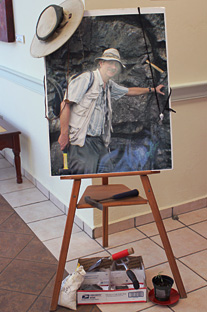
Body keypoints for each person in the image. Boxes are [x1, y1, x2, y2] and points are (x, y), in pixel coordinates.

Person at [58, 48, 164, 174]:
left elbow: (129, 91)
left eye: (116, 64)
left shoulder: (109, 85)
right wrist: (64, 134)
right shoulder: (86, 79)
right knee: (85, 175)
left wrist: (153, 89)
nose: (113, 67)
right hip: (83, 141)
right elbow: (65, 103)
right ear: (101, 63)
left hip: (99, 141)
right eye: (110, 62)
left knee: (107, 172)